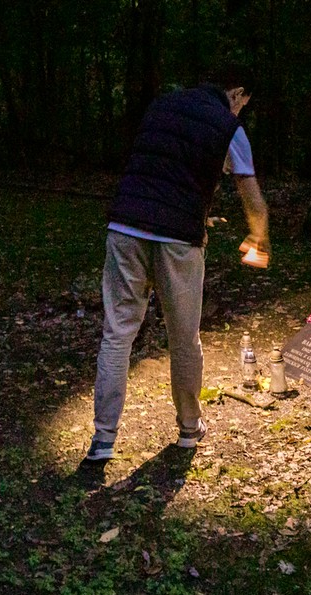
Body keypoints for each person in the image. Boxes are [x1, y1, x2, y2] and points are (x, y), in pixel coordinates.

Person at [86, 67, 271, 461]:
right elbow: (250, 193)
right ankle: (189, 430)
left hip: (125, 224)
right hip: (176, 239)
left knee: (117, 334)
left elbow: (159, 169)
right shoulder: (228, 126)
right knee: (184, 337)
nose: (240, 112)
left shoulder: (162, 106)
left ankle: (102, 442)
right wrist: (259, 236)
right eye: (243, 105)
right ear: (236, 93)